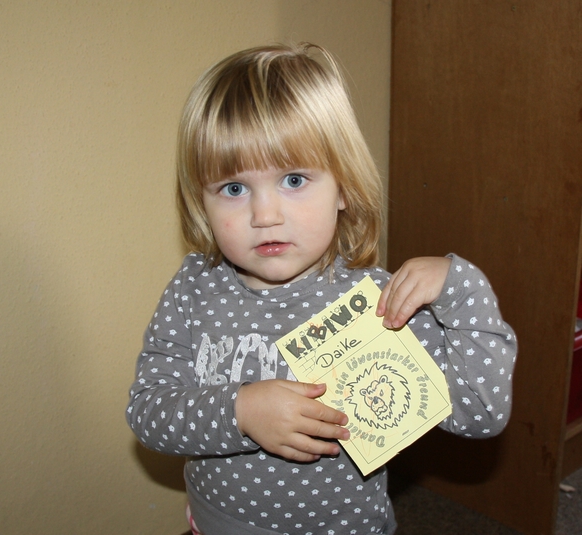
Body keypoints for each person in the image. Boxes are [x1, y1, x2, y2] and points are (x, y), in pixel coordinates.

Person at [126, 43, 516, 535]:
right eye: (233, 188)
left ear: (344, 187)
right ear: (201, 202)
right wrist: (239, 411)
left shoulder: (378, 304)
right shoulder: (194, 288)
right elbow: (148, 412)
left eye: (293, 179)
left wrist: (461, 289)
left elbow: (481, 412)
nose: (265, 215)